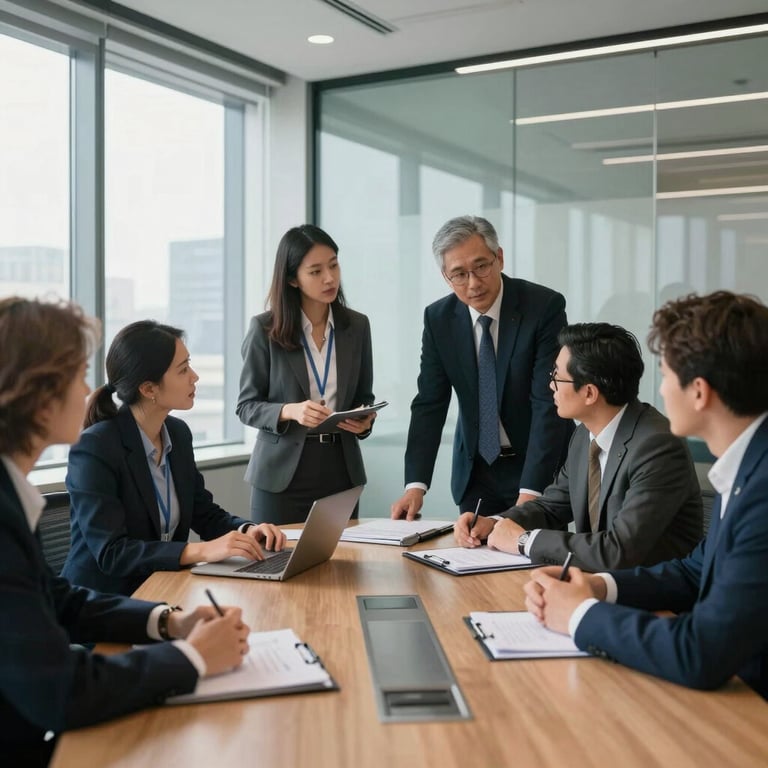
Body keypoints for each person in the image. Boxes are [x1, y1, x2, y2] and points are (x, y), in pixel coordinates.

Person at [0, 297, 250, 765]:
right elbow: (61, 689)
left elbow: (58, 597)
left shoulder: (11, 498)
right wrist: (193, 658)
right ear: (37, 397)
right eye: (77, 374)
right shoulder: (20, 500)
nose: (91, 388)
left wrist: (168, 621)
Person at [524, 291, 768, 699]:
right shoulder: (746, 466)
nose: (660, 389)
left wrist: (580, 614)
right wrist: (597, 587)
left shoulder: (761, 489)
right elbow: (695, 571)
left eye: (666, 374)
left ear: (699, 392)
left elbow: (700, 653)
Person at [455, 323, 702, 570]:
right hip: (595, 583)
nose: (550, 385)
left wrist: (523, 542)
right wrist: (494, 523)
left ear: (589, 393)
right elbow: (552, 506)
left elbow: (619, 550)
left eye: (556, 377)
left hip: (652, 596)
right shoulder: (585, 434)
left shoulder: (657, 447)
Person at [64, 321, 285, 596]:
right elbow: (113, 553)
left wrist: (246, 530)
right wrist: (201, 550)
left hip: (165, 589)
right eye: (183, 370)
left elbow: (203, 513)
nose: (194, 377)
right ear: (148, 389)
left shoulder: (178, 434)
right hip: (102, 603)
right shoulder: (96, 447)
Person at [391, 215, 572, 520]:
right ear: (446, 277)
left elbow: (548, 402)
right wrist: (415, 484)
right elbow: (429, 403)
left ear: (499, 258)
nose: (473, 283)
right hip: (476, 473)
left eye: (481, 267)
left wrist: (531, 490)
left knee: (535, 562)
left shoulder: (543, 307)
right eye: (459, 274)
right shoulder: (438, 319)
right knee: (473, 561)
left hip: (537, 465)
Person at [237, 224, 375, 525]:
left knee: (342, 566)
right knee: (277, 562)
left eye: (334, 265)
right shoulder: (265, 330)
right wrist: (290, 410)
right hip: (281, 475)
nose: (330, 278)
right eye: (315, 271)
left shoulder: (357, 326)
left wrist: (364, 421)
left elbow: (364, 396)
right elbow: (246, 406)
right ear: (292, 279)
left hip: (341, 471)